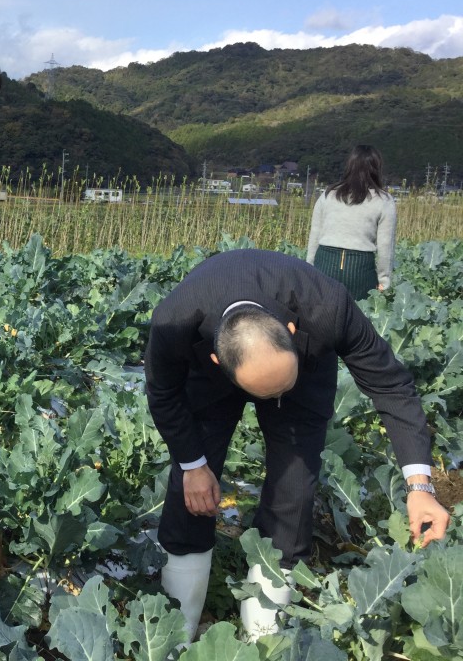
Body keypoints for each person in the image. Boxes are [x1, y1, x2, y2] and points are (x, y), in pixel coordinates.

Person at [144, 249, 449, 642]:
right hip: (212, 375)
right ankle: (174, 634)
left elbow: (391, 385)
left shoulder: (328, 306)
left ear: (289, 330)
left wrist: (420, 486)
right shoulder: (174, 320)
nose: (272, 402)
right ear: (218, 361)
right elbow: (163, 392)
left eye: (278, 389)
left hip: (305, 370)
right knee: (190, 493)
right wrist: (192, 463)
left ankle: (263, 640)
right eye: (266, 393)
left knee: (294, 490)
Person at [306, 144, 397, 299]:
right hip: (359, 267)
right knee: (359, 317)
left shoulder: (329, 195)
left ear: (350, 166)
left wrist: (308, 270)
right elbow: (385, 246)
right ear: (376, 168)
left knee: (324, 316)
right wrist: (384, 280)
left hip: (325, 263)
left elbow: (315, 236)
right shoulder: (384, 201)